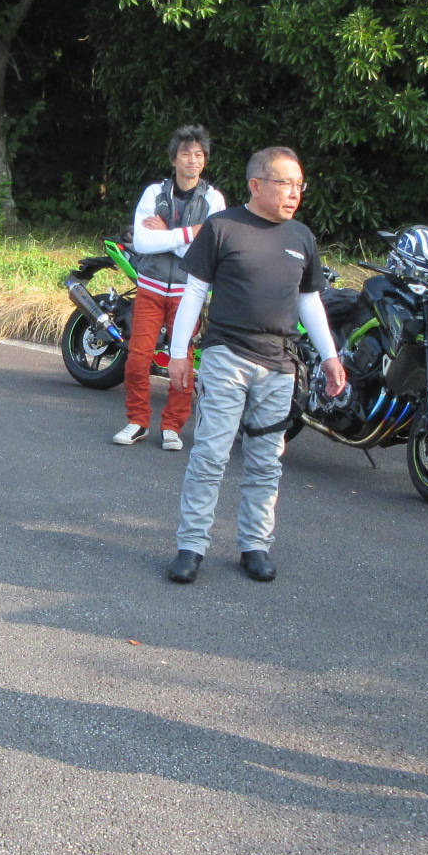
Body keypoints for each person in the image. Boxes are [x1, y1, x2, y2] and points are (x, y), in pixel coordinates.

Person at [164, 147, 346, 585]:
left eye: (299, 185)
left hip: (280, 365)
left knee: (266, 462)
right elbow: (194, 292)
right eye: (286, 184)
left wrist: (330, 356)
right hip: (226, 356)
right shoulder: (222, 227)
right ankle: (191, 547)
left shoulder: (301, 237)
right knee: (210, 455)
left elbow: (308, 301)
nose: (295, 193)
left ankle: (255, 546)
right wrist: (178, 353)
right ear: (256, 185)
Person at [115, 126, 226, 451]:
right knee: (138, 359)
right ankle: (137, 420)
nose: (192, 160)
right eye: (185, 153)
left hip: (188, 292)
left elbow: (208, 252)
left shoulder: (214, 199)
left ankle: (173, 426)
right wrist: (191, 233)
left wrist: (167, 232)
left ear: (205, 160)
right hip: (150, 286)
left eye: (199, 154)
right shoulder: (154, 193)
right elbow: (142, 242)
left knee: (183, 359)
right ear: (173, 159)